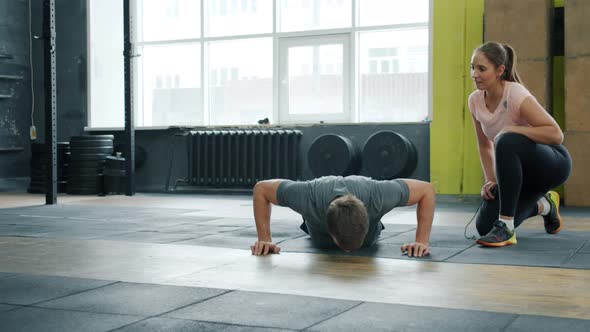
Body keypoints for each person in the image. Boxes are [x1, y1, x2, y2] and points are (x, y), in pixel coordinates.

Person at [469, 41, 572, 247]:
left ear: (500, 70)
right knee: (485, 225)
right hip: (519, 174)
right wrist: (491, 181)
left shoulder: (515, 93)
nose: (475, 74)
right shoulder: (475, 100)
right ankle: (545, 206)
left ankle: (506, 228)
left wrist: (513, 130)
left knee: (507, 139)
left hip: (551, 164)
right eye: (472, 67)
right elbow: (484, 146)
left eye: (481, 69)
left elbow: (555, 134)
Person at [249, 175, 435, 257]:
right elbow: (262, 189)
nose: (348, 253)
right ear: (330, 232)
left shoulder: (378, 195)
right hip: (318, 220)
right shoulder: (308, 196)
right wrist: (264, 239)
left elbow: (426, 190)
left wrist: (422, 241)